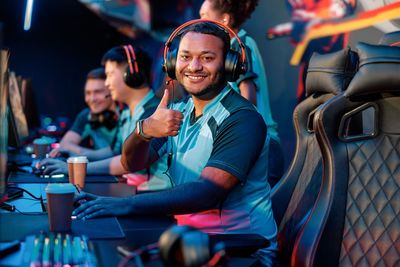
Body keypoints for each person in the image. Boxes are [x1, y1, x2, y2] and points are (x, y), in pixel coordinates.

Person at [73, 21, 278, 266]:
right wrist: (144, 130)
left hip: (238, 250)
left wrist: (124, 205)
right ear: (172, 63)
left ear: (228, 65)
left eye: (207, 57)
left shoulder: (242, 119)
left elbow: (207, 192)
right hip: (187, 236)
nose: (194, 66)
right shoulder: (179, 111)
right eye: (185, 57)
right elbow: (133, 162)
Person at [40, 45, 170, 190]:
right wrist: (75, 156)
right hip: (131, 191)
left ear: (131, 73)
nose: (107, 83)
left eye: (110, 74)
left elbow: (127, 163)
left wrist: (76, 167)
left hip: (150, 197)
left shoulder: (155, 113)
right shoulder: (127, 114)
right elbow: (115, 153)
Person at [199, 0, 284, 186]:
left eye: (204, 15)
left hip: (260, 149)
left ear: (225, 19)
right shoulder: (239, 45)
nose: (200, 21)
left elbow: (248, 96)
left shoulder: (239, 46)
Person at [49, 67, 119, 161]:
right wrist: (87, 154)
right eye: (88, 93)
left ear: (112, 90)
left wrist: (78, 153)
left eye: (98, 92)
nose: (92, 99)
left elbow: (118, 152)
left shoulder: (126, 114)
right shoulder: (87, 115)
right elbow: (65, 144)